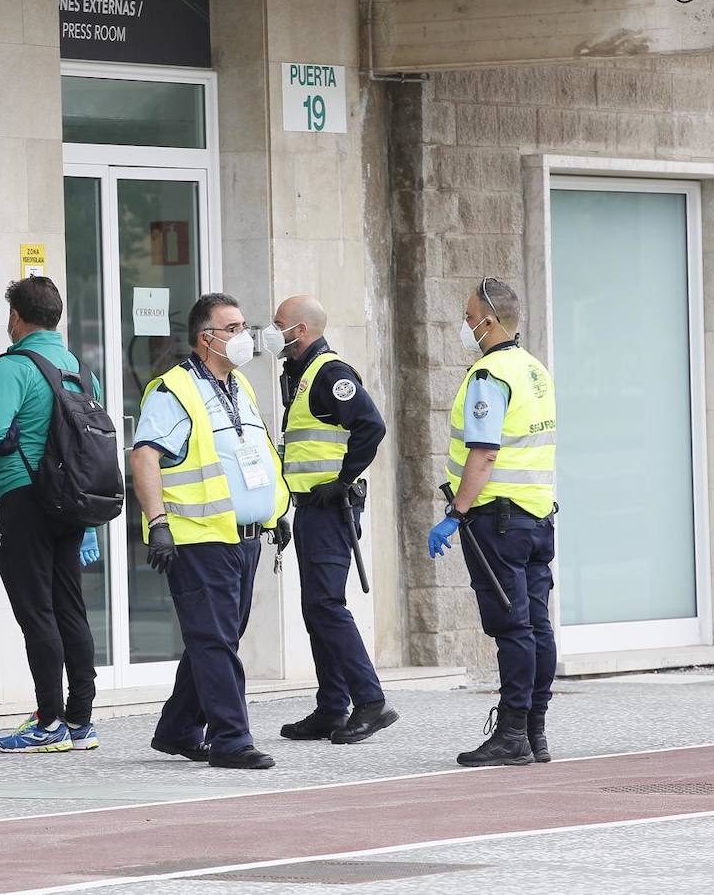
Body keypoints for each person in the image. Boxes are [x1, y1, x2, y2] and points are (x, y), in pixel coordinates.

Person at [131, 293, 291, 770]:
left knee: (219, 636)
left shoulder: (239, 383)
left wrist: (273, 509)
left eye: (245, 325)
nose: (246, 336)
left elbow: (252, 453)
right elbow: (144, 456)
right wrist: (158, 524)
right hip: (198, 536)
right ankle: (231, 739)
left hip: (243, 536)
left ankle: (179, 728)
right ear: (207, 338)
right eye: (234, 328)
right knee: (215, 639)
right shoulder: (173, 389)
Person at [0, 277, 101, 754]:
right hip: (72, 501)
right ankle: (80, 720)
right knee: (69, 607)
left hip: (25, 497)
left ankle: (49, 721)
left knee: (35, 612)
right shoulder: (79, 367)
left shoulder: (12, 365)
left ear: (16, 317)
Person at [428, 278, 557, 767]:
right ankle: (534, 731)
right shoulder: (533, 370)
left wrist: (455, 513)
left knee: (512, 628)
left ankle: (511, 734)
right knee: (536, 626)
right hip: (537, 516)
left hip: (497, 520)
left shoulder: (490, 376)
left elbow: (483, 452)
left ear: (489, 320)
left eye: (468, 315)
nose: (464, 324)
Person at [263, 295, 399, 745]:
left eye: (279, 323)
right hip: (310, 507)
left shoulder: (331, 373)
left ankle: (370, 700)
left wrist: (343, 480)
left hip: (331, 508)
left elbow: (371, 426)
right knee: (315, 607)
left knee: (325, 606)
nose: (272, 330)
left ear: (300, 330)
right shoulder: (300, 375)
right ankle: (331, 707)